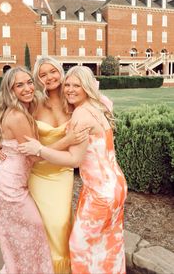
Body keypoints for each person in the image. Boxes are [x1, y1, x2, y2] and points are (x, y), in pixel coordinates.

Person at [19, 65, 128, 274]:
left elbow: (74, 159)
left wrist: (40, 149)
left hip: (101, 192)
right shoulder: (98, 107)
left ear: (86, 87)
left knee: (79, 246)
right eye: (67, 84)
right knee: (110, 242)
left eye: (76, 85)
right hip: (116, 185)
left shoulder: (81, 114)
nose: (69, 89)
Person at [0, 57, 89, 274]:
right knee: (44, 225)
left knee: (60, 224)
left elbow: (98, 104)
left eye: (53, 71)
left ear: (60, 71)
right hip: (38, 172)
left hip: (62, 172)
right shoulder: (34, 103)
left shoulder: (73, 101)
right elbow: (7, 118)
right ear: (37, 78)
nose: (50, 77)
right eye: (43, 74)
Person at [0, 66, 54, 274]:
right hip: (9, 187)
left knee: (17, 235)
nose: (27, 88)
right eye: (19, 85)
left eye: (29, 82)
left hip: (5, 180)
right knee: (34, 229)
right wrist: (68, 141)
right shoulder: (17, 116)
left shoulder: (16, 110)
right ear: (11, 90)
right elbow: (35, 155)